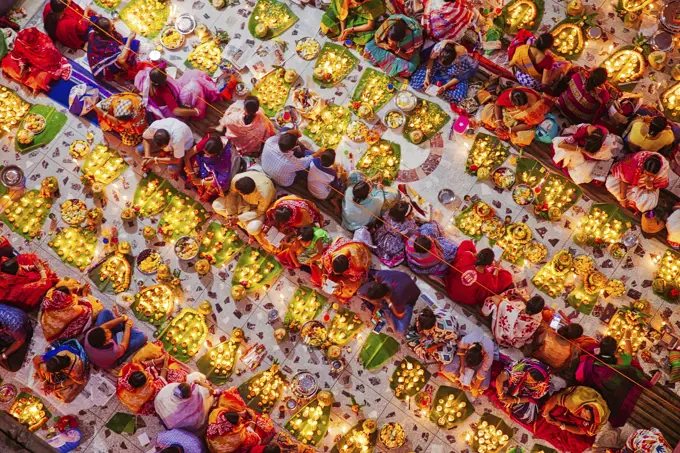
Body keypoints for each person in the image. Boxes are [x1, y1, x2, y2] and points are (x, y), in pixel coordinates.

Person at [575, 334, 652, 427]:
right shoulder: (619, 360)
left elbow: (580, 377)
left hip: (613, 400)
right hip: (633, 393)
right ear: (615, 350)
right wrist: (627, 337)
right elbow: (629, 353)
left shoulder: (591, 361)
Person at [537, 386, 610, 452]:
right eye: (584, 411)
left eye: (587, 417)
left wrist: (563, 426)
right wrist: (545, 415)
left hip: (574, 418)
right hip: (570, 404)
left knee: (580, 444)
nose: (583, 415)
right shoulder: (574, 401)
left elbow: (581, 431)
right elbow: (555, 399)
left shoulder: (597, 423)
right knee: (554, 411)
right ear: (585, 406)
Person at [1, 27, 71, 93]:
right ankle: (28, 81)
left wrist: (28, 70)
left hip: (47, 66)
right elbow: (19, 52)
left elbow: (45, 65)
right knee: (8, 64)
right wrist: (22, 65)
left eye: (25, 45)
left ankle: (33, 83)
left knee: (40, 79)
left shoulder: (46, 49)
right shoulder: (21, 39)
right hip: (30, 59)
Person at [135, 68, 219, 121]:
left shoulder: (147, 79)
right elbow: (176, 111)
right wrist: (195, 111)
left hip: (167, 96)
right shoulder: (164, 92)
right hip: (171, 108)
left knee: (194, 73)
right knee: (195, 86)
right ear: (163, 81)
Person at [207, 388, 275, 453]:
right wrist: (253, 417)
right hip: (221, 450)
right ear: (234, 426)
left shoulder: (217, 413)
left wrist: (240, 413)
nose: (241, 419)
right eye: (239, 422)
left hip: (211, 442)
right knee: (265, 427)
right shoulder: (239, 437)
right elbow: (254, 439)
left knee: (225, 398)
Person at [445, 240, 513, 305]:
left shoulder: (467, 256)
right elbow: (493, 286)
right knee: (507, 277)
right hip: (466, 299)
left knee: (467, 243)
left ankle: (483, 259)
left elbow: (456, 264)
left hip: (451, 288)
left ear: (478, 255)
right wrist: (497, 267)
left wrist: (473, 255)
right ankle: (488, 263)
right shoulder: (487, 279)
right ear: (489, 264)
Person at [552, 123, 623, 185]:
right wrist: (581, 150)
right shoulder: (584, 130)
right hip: (579, 146)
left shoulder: (607, 143)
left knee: (587, 173)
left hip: (590, 156)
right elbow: (561, 145)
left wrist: (592, 155)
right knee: (564, 151)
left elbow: (605, 157)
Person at [410, 41, 479, 103]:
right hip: (443, 64)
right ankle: (439, 76)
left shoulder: (462, 57)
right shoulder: (439, 48)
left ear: (454, 59)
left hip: (458, 71)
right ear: (439, 54)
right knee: (417, 81)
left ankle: (445, 80)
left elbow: (460, 77)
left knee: (458, 97)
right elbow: (431, 59)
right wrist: (427, 76)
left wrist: (444, 87)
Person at [481, 87, 552, 146]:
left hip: (523, 123)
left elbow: (528, 125)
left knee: (526, 137)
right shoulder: (507, 97)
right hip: (507, 115)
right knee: (485, 113)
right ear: (512, 102)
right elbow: (497, 105)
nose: (521, 110)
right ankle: (503, 129)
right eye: (519, 108)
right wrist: (499, 123)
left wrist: (510, 130)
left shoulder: (535, 105)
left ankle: (508, 132)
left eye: (524, 107)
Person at [213, 171, 276, 235]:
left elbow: (260, 211)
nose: (237, 191)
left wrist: (239, 218)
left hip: (255, 208)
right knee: (216, 205)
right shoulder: (237, 179)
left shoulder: (265, 194)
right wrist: (230, 214)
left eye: (239, 192)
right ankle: (236, 221)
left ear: (246, 194)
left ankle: (239, 222)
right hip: (241, 200)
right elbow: (232, 195)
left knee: (253, 229)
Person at [40, 279, 102, 343]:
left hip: (47, 327)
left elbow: (59, 291)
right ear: (67, 298)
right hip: (58, 336)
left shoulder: (49, 298)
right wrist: (84, 295)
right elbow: (88, 310)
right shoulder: (73, 310)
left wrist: (78, 288)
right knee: (93, 310)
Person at [184, 134, 240, 202]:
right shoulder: (207, 142)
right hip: (204, 163)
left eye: (208, 154)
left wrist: (201, 182)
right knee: (191, 163)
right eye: (205, 152)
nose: (206, 155)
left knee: (216, 187)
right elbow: (187, 156)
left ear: (217, 154)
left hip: (214, 172)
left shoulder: (224, 158)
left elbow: (221, 181)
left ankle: (204, 190)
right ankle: (196, 184)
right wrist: (192, 174)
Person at [493, 358, 551, 424]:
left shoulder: (543, 385)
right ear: (529, 371)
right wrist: (501, 396)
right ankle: (507, 403)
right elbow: (499, 379)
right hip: (514, 381)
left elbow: (531, 398)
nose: (528, 380)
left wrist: (514, 400)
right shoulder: (523, 366)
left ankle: (509, 403)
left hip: (527, 393)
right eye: (528, 376)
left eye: (531, 381)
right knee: (502, 388)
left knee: (526, 416)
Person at [314, 237, 371, 303]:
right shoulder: (330, 255)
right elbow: (324, 264)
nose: (334, 274)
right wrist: (324, 275)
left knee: (349, 289)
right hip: (344, 247)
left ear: (346, 270)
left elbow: (355, 278)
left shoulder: (356, 267)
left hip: (360, 251)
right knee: (320, 275)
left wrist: (341, 283)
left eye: (337, 273)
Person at [441, 330, 497, 397]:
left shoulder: (488, 356)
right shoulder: (465, 342)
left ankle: (464, 380)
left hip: (480, 363)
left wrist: (475, 388)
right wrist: (462, 367)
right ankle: (461, 379)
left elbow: (482, 372)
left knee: (484, 386)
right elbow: (461, 351)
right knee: (446, 369)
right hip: (465, 357)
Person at [87, 17, 143, 81]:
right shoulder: (107, 46)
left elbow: (92, 19)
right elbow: (121, 60)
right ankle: (124, 72)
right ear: (107, 33)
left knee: (132, 43)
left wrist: (95, 14)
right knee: (128, 52)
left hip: (99, 54)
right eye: (112, 26)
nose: (113, 24)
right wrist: (129, 40)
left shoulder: (94, 30)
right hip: (101, 68)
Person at [530, 323, 598, 373]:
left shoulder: (548, 333)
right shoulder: (575, 348)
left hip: (537, 359)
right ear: (575, 338)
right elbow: (569, 364)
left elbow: (536, 343)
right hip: (552, 369)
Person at [373, 200, 418, 267]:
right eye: (411, 213)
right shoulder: (407, 224)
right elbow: (415, 229)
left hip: (381, 236)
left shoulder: (389, 213)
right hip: (391, 244)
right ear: (405, 216)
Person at [320, 0, 385, 45]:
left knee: (362, 39)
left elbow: (370, 26)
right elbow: (342, 15)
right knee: (327, 22)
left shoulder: (371, 4)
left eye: (358, 4)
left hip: (362, 17)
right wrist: (343, 31)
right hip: (345, 12)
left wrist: (351, 29)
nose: (355, 5)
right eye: (354, 2)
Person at [0, 303, 33, 372]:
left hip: (19, 337)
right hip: (4, 336)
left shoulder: (14, 323)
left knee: (13, 366)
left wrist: (3, 355)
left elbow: (20, 341)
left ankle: (4, 355)